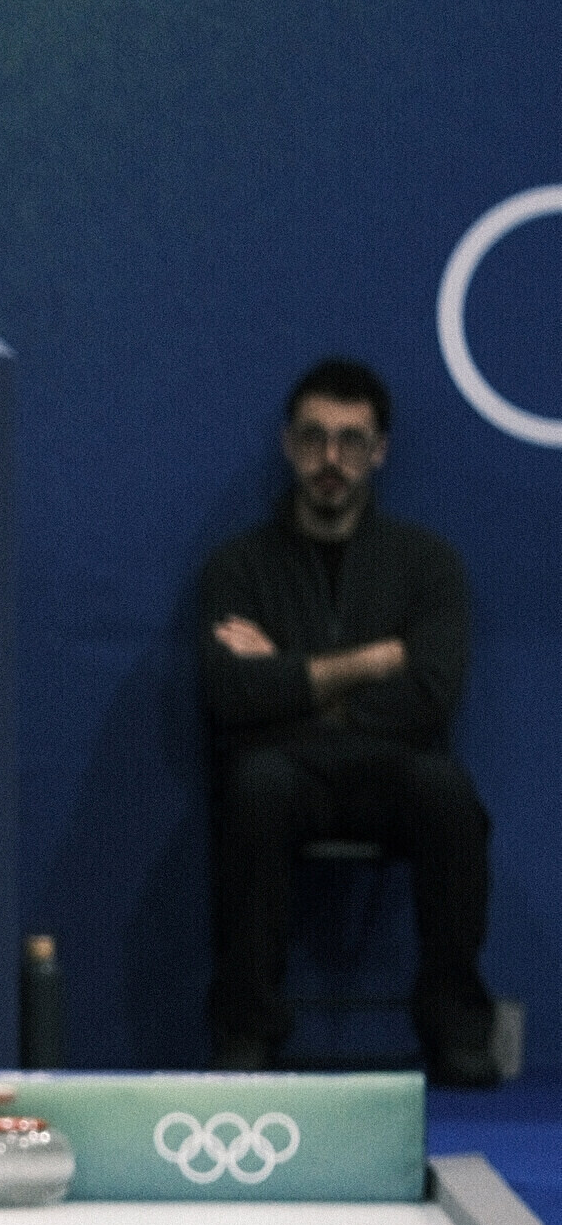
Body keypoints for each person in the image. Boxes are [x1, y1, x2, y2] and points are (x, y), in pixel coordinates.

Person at [198, 357, 493, 1083]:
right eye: (313, 438)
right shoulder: (238, 567)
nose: (330, 459)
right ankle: (247, 1033)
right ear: (287, 443)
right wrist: (369, 662)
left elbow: (430, 695)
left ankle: (456, 1030)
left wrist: (291, 676)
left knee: (450, 796)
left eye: (350, 440)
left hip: (391, 771)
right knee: (253, 788)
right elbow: (230, 697)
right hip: (285, 774)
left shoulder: (427, 564)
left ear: (379, 450)